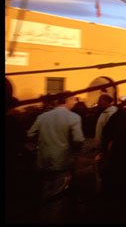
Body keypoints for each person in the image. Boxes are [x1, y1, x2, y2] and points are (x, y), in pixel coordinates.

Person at [26, 91, 85, 223]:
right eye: (74, 99)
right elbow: (78, 139)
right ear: (67, 100)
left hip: (44, 160)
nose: (75, 102)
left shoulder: (43, 117)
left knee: (45, 190)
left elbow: (30, 134)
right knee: (59, 194)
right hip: (63, 161)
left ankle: (42, 217)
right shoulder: (73, 117)